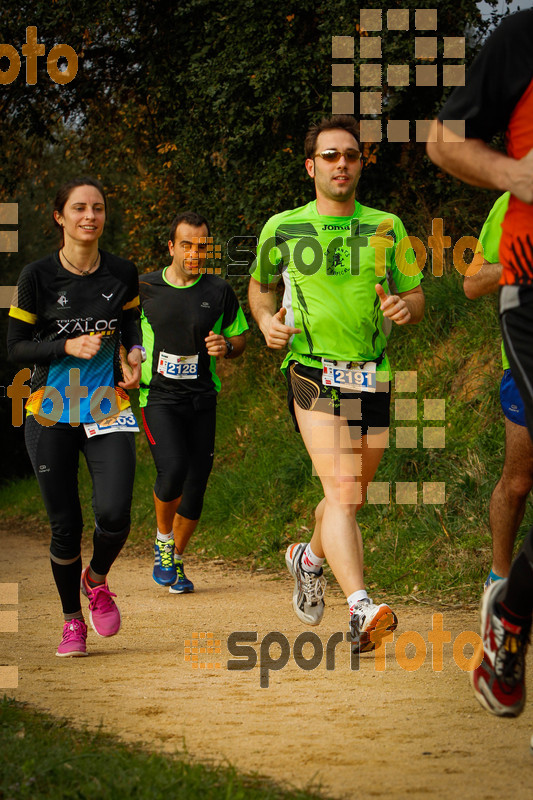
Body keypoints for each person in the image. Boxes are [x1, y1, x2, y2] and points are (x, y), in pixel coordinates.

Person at [248, 115, 424, 653]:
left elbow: (416, 298)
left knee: (349, 496)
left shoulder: (389, 227)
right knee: (342, 489)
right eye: (330, 156)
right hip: (311, 369)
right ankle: (361, 608)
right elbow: (258, 289)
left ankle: (310, 558)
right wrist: (265, 323)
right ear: (311, 166)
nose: (341, 163)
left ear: (360, 163)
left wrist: (403, 307)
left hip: (372, 373)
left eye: (349, 154)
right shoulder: (282, 228)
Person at [427, 8, 533, 716]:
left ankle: (510, 616)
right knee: (519, 474)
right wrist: (511, 175)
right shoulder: (525, 37)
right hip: (532, 293)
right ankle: (508, 610)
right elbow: (442, 138)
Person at [7, 176, 142, 657]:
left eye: (98, 208)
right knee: (65, 525)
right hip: (50, 414)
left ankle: (97, 579)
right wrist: (65, 344)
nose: (90, 217)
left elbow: (129, 324)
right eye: (80, 208)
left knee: (115, 513)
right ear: (59, 217)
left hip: (108, 407)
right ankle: (72, 623)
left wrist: (134, 354)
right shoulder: (36, 277)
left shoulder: (123, 273)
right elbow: (15, 349)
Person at [139, 211, 248, 593]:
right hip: (160, 398)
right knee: (172, 470)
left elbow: (239, 340)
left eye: (202, 246)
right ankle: (163, 542)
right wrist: (128, 360)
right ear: (171, 246)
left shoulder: (218, 292)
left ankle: (176, 559)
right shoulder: (144, 289)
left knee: (197, 484)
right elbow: (123, 337)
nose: (194, 253)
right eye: (186, 244)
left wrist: (228, 346)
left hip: (203, 397)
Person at [465, 193, 533, 589]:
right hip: (525, 364)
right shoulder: (512, 203)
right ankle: (499, 577)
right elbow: (472, 282)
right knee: (519, 480)